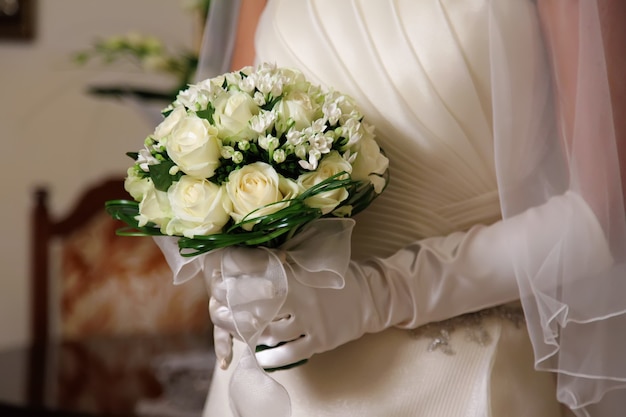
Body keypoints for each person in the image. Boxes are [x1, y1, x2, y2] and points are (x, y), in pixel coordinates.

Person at [186, 0, 626, 416]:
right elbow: (227, 154)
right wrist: (235, 273)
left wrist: (377, 296)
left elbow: (599, 216)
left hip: (460, 375)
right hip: (278, 373)